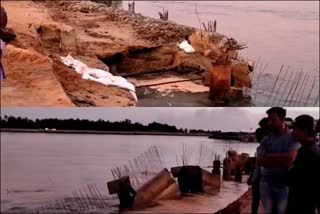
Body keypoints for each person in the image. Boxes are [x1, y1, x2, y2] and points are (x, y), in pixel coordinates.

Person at [257, 107, 300, 214]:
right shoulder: (266, 139)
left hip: (283, 184)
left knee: (281, 211)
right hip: (266, 183)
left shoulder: (292, 138)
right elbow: (260, 161)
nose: (270, 123)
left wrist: (269, 156)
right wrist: (282, 157)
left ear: (282, 119)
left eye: (273, 120)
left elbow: (289, 160)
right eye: (269, 120)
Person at [286, 115, 320, 214]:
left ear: (304, 130)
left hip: (301, 206)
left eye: (295, 129)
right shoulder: (312, 149)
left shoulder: (307, 153)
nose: (292, 132)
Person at [247, 117, 270, 214]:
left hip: (265, 177)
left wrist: (253, 178)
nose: (256, 138)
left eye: (257, 136)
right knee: (257, 198)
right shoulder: (261, 146)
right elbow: (257, 164)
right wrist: (252, 176)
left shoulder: (267, 145)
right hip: (261, 177)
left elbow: (260, 165)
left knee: (259, 199)